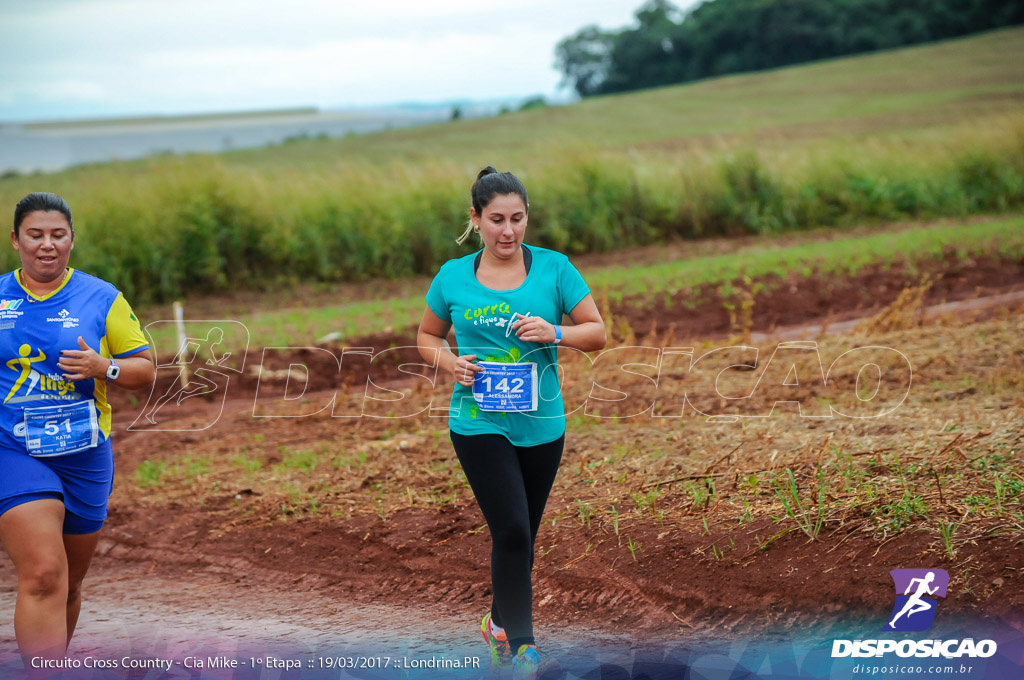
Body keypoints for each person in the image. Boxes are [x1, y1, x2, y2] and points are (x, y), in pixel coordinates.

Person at [417, 167, 606, 679]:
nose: (508, 231)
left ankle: (498, 621)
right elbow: (427, 338)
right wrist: (449, 364)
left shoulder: (555, 268)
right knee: (514, 531)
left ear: (527, 218)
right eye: (496, 219)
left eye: (517, 219)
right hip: (478, 422)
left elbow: (597, 332)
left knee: (523, 534)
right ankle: (524, 649)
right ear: (475, 219)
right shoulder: (452, 276)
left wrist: (556, 332)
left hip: (542, 423)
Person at [0, 192, 155, 669]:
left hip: (85, 453)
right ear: (16, 240)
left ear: (72, 240)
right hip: (13, 448)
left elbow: (146, 369)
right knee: (45, 573)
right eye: (35, 234)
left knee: (68, 584)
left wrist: (102, 367)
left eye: (57, 234)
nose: (47, 245)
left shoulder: (102, 296)